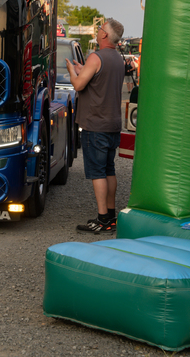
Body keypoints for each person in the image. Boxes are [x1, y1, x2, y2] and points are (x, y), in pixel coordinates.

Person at [65, 18, 125, 233]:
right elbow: (100, 80)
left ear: (105, 35)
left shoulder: (96, 56)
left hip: (95, 124)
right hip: (113, 124)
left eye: (100, 29)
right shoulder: (118, 59)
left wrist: (72, 70)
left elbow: (79, 84)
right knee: (109, 169)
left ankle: (101, 220)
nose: (98, 31)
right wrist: (85, 69)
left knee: (97, 171)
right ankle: (111, 215)